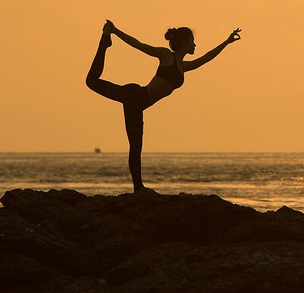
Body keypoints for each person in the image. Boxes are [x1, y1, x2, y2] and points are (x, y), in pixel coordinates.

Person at [86, 20, 241, 192]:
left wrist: (226, 42)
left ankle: (139, 187)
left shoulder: (184, 66)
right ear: (184, 41)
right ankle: (105, 41)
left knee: (136, 146)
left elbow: (206, 58)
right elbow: (138, 44)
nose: (195, 44)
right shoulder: (166, 56)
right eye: (192, 40)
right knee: (91, 83)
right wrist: (115, 30)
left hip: (138, 103)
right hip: (134, 97)